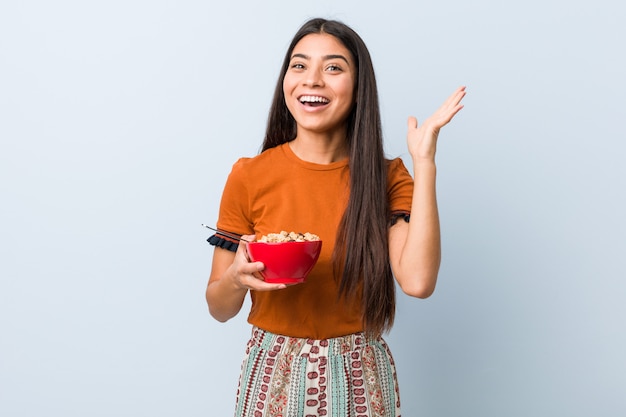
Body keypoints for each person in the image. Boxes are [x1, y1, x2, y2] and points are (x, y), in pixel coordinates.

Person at [205, 17, 465, 417]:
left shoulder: (388, 176)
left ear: (359, 88)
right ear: (286, 82)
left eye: (333, 67)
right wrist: (236, 279)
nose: (312, 80)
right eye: (299, 65)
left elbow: (417, 281)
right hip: (273, 371)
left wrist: (424, 161)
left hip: (360, 375)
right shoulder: (249, 175)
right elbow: (219, 308)